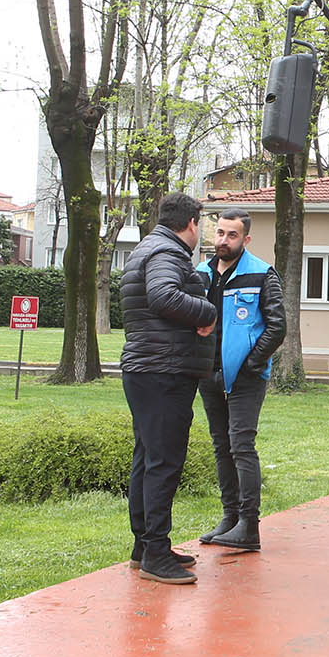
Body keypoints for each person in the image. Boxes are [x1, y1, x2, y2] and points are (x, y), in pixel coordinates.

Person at [119, 192, 216, 585]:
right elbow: (162, 296)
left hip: (148, 368)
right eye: (202, 224)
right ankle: (155, 553)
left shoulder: (148, 248)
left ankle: (145, 547)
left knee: (148, 457)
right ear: (191, 223)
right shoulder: (168, 253)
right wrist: (207, 312)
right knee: (163, 462)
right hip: (164, 370)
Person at [194, 209, 285, 554]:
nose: (223, 241)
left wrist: (251, 363)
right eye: (219, 233)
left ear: (245, 239)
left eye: (232, 235)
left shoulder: (262, 274)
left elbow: (277, 327)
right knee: (221, 447)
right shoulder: (201, 274)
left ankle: (249, 525)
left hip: (245, 378)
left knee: (241, 446)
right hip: (208, 374)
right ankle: (229, 518)